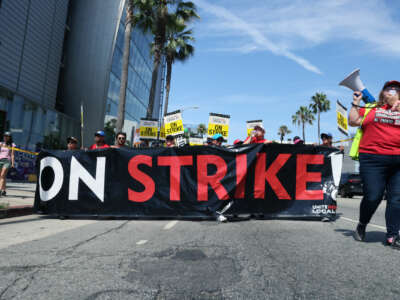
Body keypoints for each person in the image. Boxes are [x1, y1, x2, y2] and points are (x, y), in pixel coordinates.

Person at [349, 80, 400, 249]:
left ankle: (392, 235)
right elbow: (353, 121)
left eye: (396, 89)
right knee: (373, 195)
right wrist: (355, 103)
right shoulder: (371, 107)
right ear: (382, 93)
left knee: (396, 199)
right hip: (372, 159)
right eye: (388, 88)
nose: (392, 91)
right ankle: (362, 224)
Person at [0, 132, 15, 196]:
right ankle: (4, 190)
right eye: (4, 136)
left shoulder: (12, 145)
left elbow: (12, 155)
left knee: (2, 175)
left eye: (7, 136)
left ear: (9, 137)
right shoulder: (1, 143)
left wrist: (12, 163)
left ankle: (0, 190)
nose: (5, 137)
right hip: (0, 160)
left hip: (7, 161)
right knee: (2, 177)